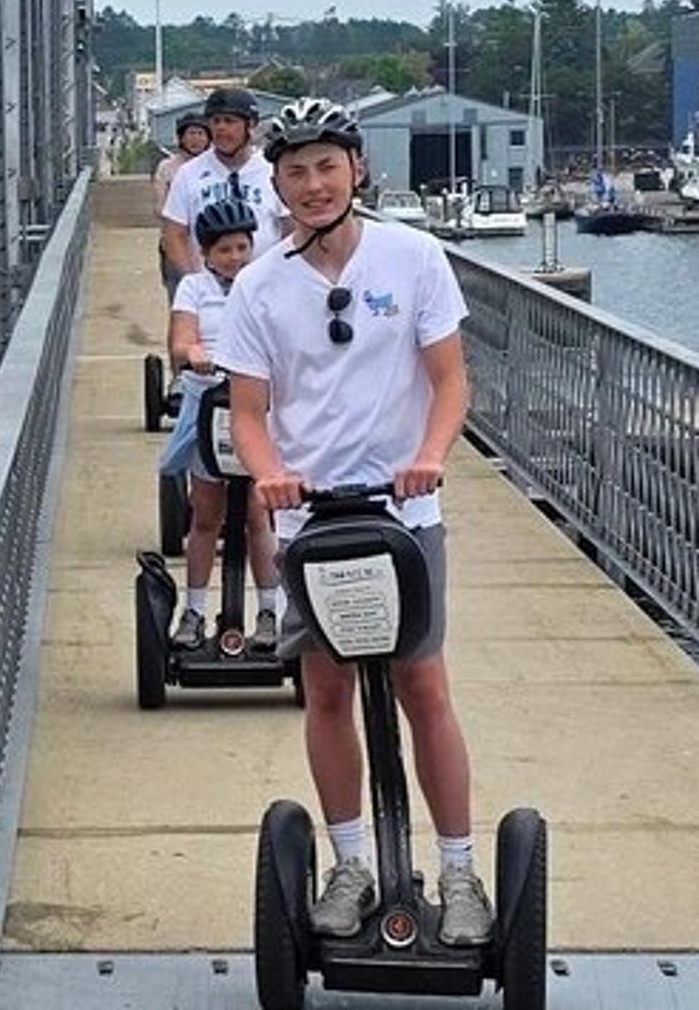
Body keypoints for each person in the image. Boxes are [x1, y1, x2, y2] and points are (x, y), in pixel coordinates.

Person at [215, 97, 493, 948]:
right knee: (328, 690)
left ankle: (459, 870)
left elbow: (450, 380)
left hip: (405, 513)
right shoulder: (259, 286)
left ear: (357, 169)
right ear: (277, 184)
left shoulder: (413, 256)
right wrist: (270, 474)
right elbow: (249, 412)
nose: (314, 185)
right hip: (310, 521)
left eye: (327, 167)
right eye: (296, 171)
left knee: (423, 686)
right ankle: (348, 864)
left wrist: (431, 454)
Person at [156, 196, 281, 653]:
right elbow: (180, 341)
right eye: (224, 250)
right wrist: (193, 353)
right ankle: (193, 611)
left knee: (256, 515)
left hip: (254, 406)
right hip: (209, 405)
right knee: (206, 514)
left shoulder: (266, 285)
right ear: (206, 253)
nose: (235, 257)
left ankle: (270, 611)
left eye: (242, 247)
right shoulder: (194, 288)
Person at [159, 88, 286, 286]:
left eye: (229, 121)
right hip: (211, 288)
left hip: (265, 286)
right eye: (215, 121)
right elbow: (174, 234)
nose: (220, 128)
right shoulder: (189, 174)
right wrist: (193, 282)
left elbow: (291, 230)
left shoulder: (272, 170)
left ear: (251, 125)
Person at [153, 113, 211, 300]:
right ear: (181, 138)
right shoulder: (167, 167)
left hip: (210, 243)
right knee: (180, 296)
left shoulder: (214, 166)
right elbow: (160, 207)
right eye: (191, 133)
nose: (196, 139)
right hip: (176, 242)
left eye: (201, 134)